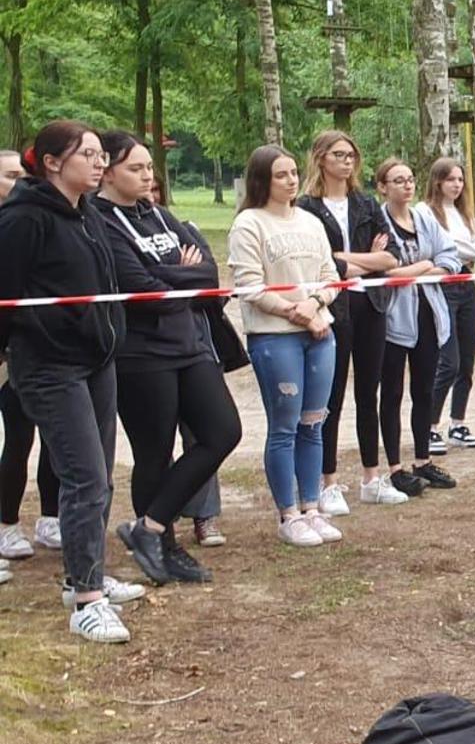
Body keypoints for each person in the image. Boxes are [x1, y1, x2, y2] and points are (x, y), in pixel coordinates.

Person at [0, 121, 139, 642]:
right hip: (49, 366)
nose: (100, 163)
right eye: (89, 155)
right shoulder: (23, 219)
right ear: (53, 162)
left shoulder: (89, 214)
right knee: (84, 477)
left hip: (98, 360)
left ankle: (84, 575)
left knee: (100, 475)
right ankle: (86, 603)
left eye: (103, 155)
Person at [96, 131, 240, 585]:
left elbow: (209, 274)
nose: (147, 176)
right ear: (108, 171)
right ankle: (164, 547)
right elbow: (142, 290)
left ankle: (150, 527)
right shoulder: (99, 220)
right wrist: (179, 272)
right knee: (153, 454)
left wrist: (170, 275)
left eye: (148, 167)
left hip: (190, 345)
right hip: (141, 355)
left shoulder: (156, 212)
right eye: (135, 168)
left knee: (222, 432)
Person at [230, 144, 341, 549]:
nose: (291, 180)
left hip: (320, 334)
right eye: (281, 174)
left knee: (313, 423)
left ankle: (312, 507)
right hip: (275, 337)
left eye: (294, 172)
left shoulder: (311, 222)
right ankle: (288, 514)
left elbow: (331, 274)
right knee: (284, 426)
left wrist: (316, 304)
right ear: (263, 180)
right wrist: (299, 313)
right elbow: (250, 285)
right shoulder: (249, 224)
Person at [295, 131, 401, 513]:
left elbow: (390, 258)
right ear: (321, 158)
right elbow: (317, 261)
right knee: (331, 397)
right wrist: (357, 261)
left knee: (368, 393)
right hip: (332, 308)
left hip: (370, 305)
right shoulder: (306, 208)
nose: (347, 161)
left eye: (351, 155)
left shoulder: (365, 203)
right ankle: (328, 482)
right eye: (339, 155)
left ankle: (372, 477)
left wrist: (342, 259)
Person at [369, 158, 460, 498]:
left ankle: (423, 460)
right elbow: (382, 271)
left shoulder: (424, 218)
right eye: (398, 180)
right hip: (393, 318)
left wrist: (418, 269)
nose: (407, 185)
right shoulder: (377, 222)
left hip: (429, 315)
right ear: (382, 187)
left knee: (424, 389)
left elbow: (450, 258)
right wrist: (423, 265)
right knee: (392, 392)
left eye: (409, 179)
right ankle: (395, 468)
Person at [0, 146, 62, 573]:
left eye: (23, 174)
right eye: (10, 175)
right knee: (16, 442)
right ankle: (6, 523)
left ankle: (49, 517)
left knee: (45, 437)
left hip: (27, 351)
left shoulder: (31, 223)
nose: (20, 181)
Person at [422, 158, 475, 451]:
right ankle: (429, 426)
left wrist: (454, 248)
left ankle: (458, 422)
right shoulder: (425, 212)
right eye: (451, 179)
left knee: (467, 361)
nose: (457, 185)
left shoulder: (466, 215)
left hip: (467, 284)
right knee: (448, 361)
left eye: (460, 180)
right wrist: (456, 249)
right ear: (438, 181)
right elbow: (437, 246)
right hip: (442, 286)